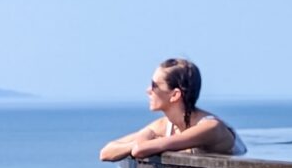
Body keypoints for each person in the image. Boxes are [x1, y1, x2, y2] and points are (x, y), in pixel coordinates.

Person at [99, 58, 247, 162]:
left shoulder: (210, 127)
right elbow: (106, 152)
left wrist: (146, 139)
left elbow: (140, 150)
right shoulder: (164, 125)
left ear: (175, 95)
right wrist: (146, 136)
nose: (148, 90)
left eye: (154, 85)